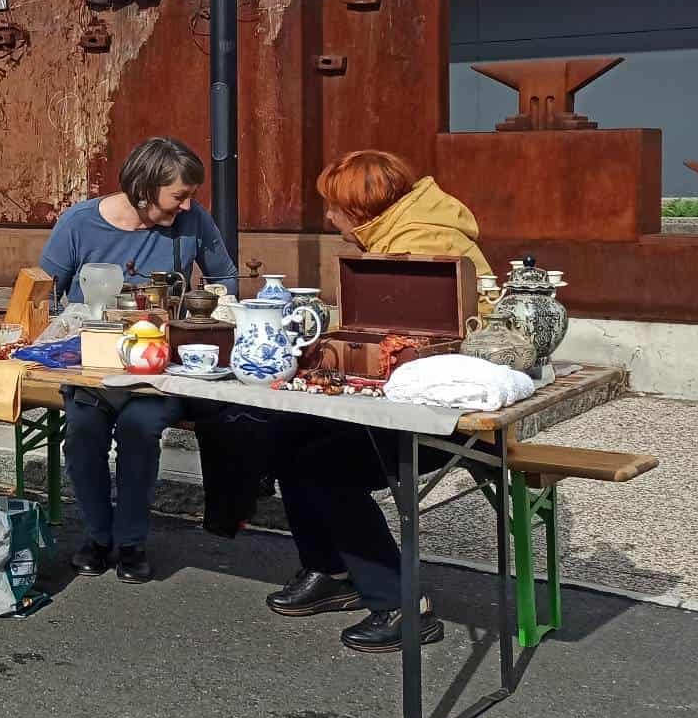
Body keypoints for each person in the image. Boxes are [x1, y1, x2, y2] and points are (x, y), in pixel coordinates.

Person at [197, 150, 489, 653]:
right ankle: (331, 570)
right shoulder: (395, 235)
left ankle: (403, 604)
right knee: (289, 440)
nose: (329, 218)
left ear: (362, 207)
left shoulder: (422, 244)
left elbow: (414, 339)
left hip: (445, 415)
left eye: (335, 207)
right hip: (401, 402)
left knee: (324, 465)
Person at [40, 136, 237, 583]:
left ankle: (131, 541)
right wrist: (62, 335)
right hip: (93, 366)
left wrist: (213, 313)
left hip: (161, 366)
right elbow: (44, 291)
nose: (187, 207)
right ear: (145, 190)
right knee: (84, 430)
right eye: (179, 196)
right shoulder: (79, 223)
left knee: (140, 428)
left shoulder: (193, 223)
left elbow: (224, 276)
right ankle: (97, 535)